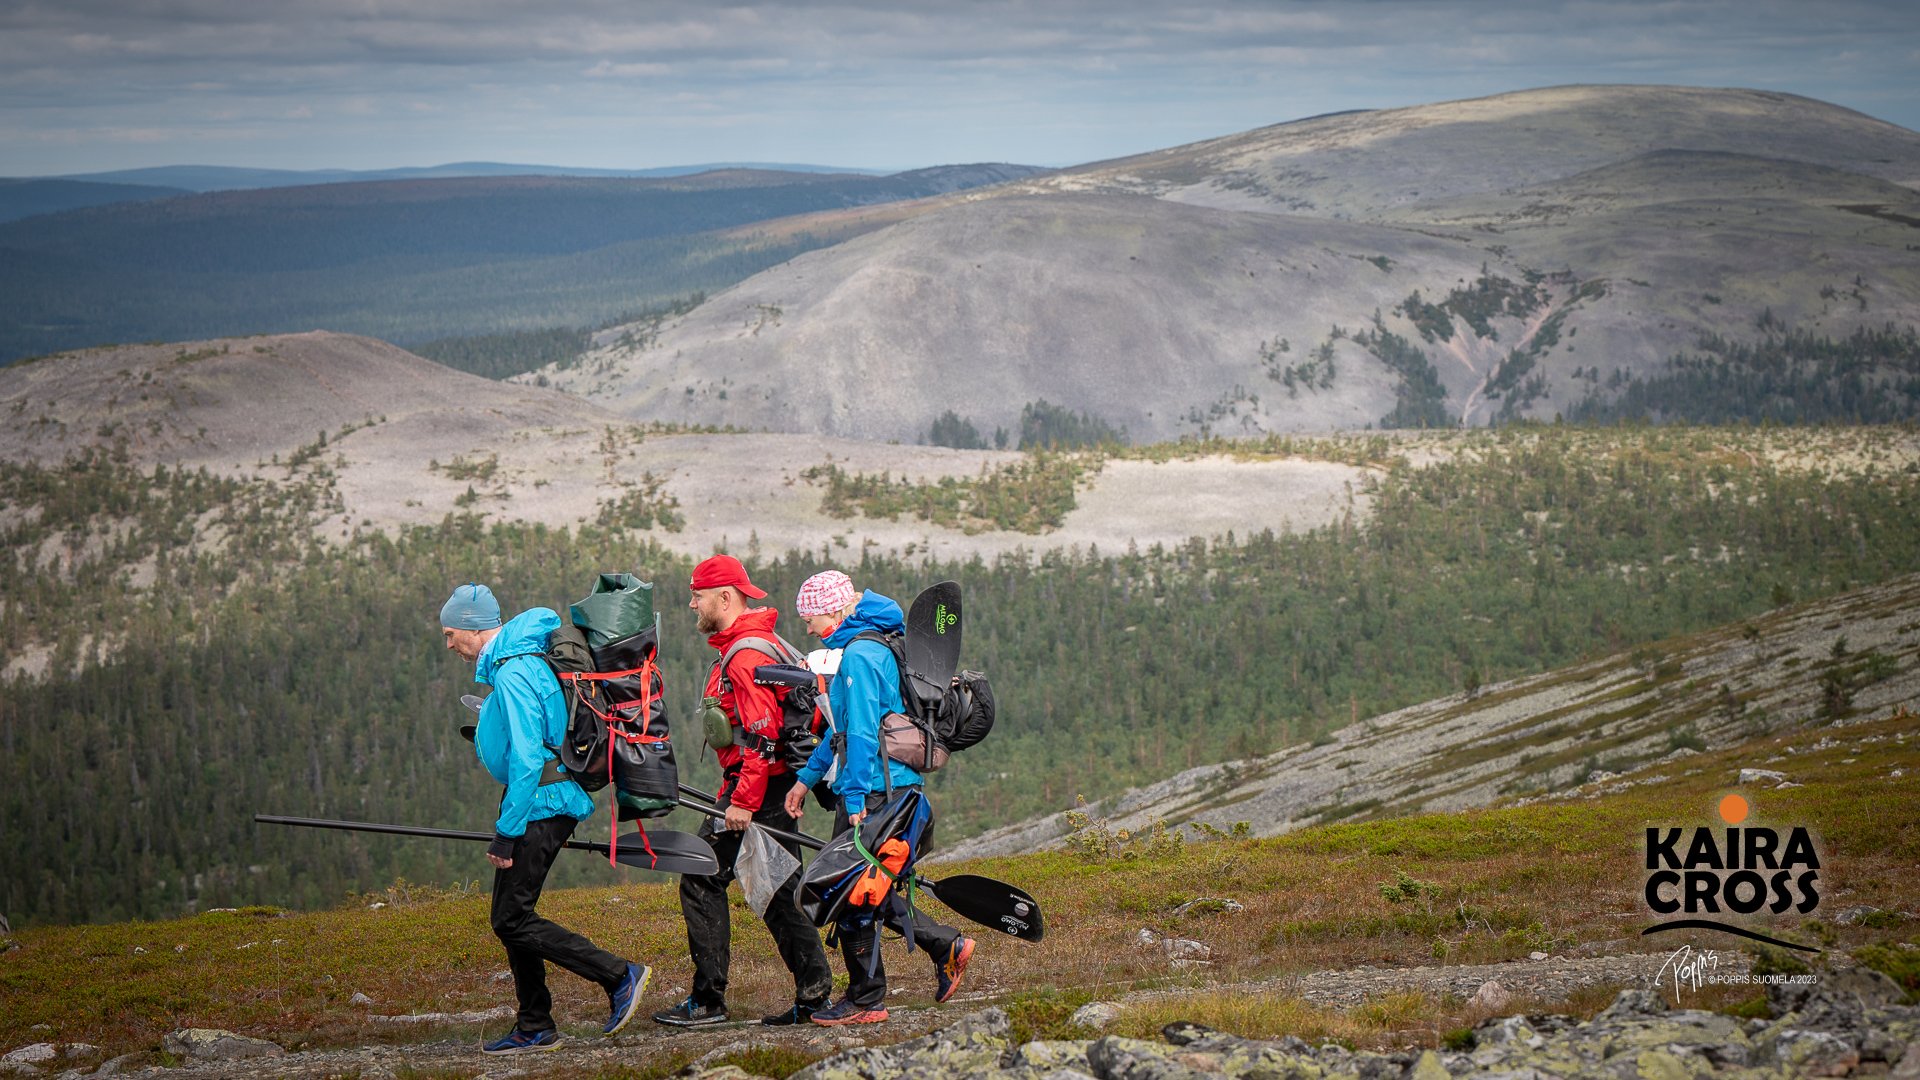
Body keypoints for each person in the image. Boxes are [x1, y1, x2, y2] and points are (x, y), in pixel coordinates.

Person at [439, 582, 650, 1055]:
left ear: (472, 629)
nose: (449, 643)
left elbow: (529, 759)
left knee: (511, 919)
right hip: (539, 800)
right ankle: (534, 1024)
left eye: (451, 633)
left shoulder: (514, 671)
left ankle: (619, 975)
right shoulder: (518, 663)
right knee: (512, 916)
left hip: (541, 804)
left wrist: (506, 834)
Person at [782, 570, 975, 1026]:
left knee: (849, 892)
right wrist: (805, 781)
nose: (807, 628)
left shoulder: (861, 657)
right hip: (888, 789)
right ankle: (943, 946)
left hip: (876, 793)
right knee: (866, 889)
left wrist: (852, 800)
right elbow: (839, 729)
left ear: (832, 610)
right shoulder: (877, 643)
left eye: (810, 618)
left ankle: (868, 1001)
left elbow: (863, 735)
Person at [654, 554, 834, 1028]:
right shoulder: (755, 642)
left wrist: (741, 803)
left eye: (698, 595)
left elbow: (761, 734)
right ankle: (814, 995)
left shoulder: (746, 653)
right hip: (767, 786)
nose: (692, 604)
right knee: (776, 889)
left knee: (701, 876)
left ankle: (709, 1001)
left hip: (760, 789)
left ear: (725, 597)